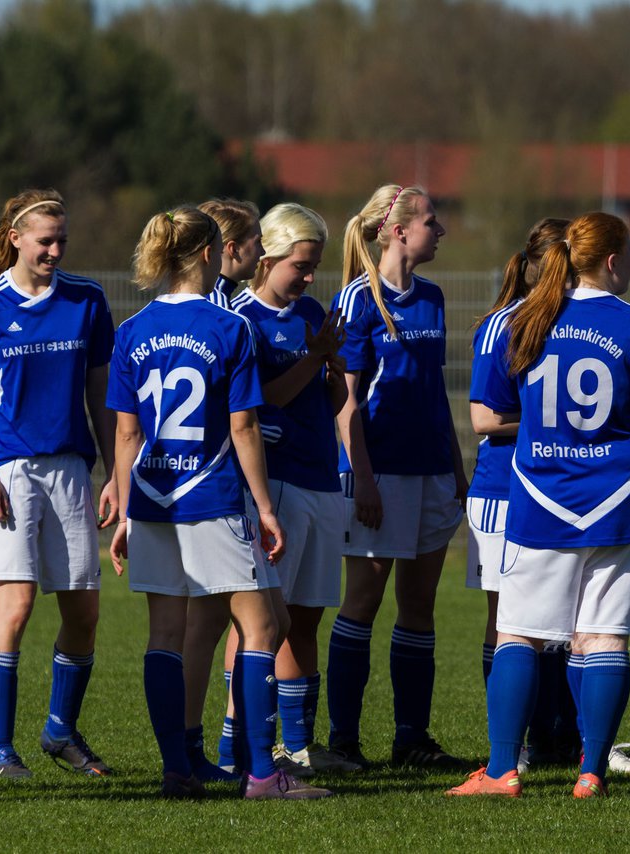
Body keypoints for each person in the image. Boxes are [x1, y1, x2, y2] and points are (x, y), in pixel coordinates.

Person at [447, 212, 630, 799]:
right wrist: (627, 422)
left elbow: (497, 415)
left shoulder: (525, 320)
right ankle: (591, 773)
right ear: (611, 261)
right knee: (604, 638)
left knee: (519, 635)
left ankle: (503, 771)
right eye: (629, 254)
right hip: (622, 500)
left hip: (541, 500)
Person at [107, 205, 330, 800]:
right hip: (211, 496)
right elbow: (244, 428)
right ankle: (262, 774)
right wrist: (265, 506)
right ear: (209, 253)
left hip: (154, 499)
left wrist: (127, 512)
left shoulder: (131, 331)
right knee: (262, 627)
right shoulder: (228, 327)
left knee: (165, 634)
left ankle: (177, 768)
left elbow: (126, 435)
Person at [0, 189, 117, 778]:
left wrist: (114, 474)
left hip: (72, 468)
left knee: (85, 611)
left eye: (62, 241)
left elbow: (102, 396)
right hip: (9, 467)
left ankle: (60, 730)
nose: (54, 250)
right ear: (16, 239)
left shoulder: (87, 299)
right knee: (18, 603)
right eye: (44, 240)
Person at [327, 184, 468, 769]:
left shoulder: (433, 296)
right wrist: (363, 478)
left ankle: (412, 739)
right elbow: (345, 403)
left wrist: (457, 466)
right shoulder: (358, 299)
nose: (442, 231)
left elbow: (434, 392)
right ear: (398, 230)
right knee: (362, 600)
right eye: (433, 221)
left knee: (420, 606)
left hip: (431, 469)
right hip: (378, 474)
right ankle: (344, 742)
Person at [231, 203, 359, 774]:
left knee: (306, 617)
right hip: (275, 483)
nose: (310, 278)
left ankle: (300, 743)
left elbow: (327, 402)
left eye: (315, 267)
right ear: (268, 257)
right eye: (300, 266)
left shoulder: (311, 312)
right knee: (263, 619)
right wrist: (316, 357)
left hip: (320, 478)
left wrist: (331, 374)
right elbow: (269, 400)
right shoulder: (242, 320)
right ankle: (242, 743)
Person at [467, 218, 583, 773]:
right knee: (511, 623)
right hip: (502, 493)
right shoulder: (502, 325)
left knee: (562, 622)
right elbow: (484, 419)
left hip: (554, 488)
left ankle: (559, 737)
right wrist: (551, 422)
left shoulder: (573, 322)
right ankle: (512, 746)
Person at [182, 197, 267, 780]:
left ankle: (200, 753)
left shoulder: (209, 307)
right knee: (252, 625)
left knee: (213, 626)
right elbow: (243, 417)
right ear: (226, 250)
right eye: (255, 242)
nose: (262, 253)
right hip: (224, 486)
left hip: (193, 487)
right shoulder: (227, 314)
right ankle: (250, 762)